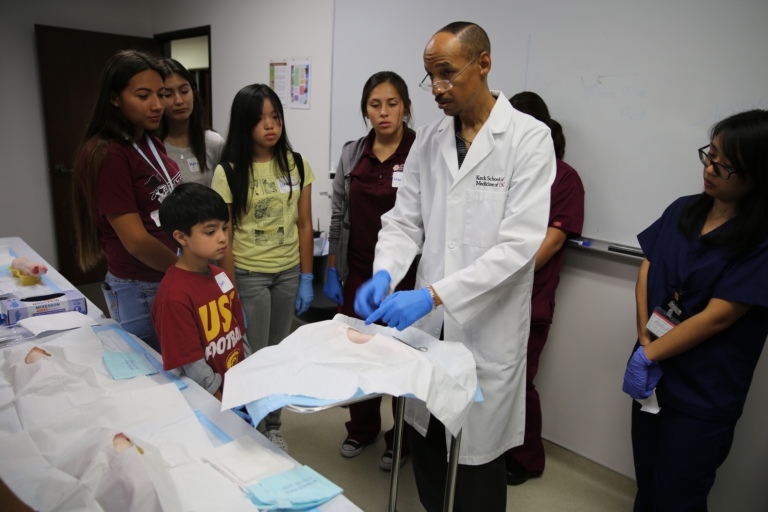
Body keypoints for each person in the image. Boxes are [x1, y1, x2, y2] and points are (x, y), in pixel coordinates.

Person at [355, 22, 555, 511]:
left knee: (475, 464)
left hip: (486, 328)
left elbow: (516, 248)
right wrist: (386, 271)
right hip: (431, 326)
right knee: (427, 445)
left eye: (446, 73)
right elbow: (404, 221)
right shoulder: (429, 139)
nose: (436, 88)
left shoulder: (528, 138)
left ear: (482, 63)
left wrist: (433, 294)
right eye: (430, 77)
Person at [622, 109, 768, 511]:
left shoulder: (759, 239)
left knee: (678, 497)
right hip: (653, 372)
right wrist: (643, 339)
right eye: (710, 154)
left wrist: (649, 353)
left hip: (703, 391)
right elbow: (648, 265)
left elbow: (720, 315)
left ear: (757, 175)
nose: (710, 168)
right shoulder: (683, 209)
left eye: (725, 165)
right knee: (648, 483)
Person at [212, 84, 315, 452]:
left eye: (275, 117)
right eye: (260, 119)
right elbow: (224, 233)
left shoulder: (296, 163)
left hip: (288, 273)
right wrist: (229, 285)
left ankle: (273, 426)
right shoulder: (229, 171)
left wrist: (307, 277)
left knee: (278, 354)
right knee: (253, 355)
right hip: (249, 276)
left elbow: (304, 224)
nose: (270, 126)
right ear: (244, 124)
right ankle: (249, 424)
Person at [324, 71, 417, 470]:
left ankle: (402, 437)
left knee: (402, 359)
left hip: (408, 278)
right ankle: (361, 428)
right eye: (375, 104)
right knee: (360, 356)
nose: (383, 112)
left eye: (391, 103)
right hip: (359, 273)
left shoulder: (421, 151)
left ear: (406, 108)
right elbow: (338, 214)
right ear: (366, 109)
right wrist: (332, 268)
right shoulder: (352, 153)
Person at [72, 50, 180, 353]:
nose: (158, 105)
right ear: (115, 98)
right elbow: (134, 239)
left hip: (168, 273)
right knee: (155, 379)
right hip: (143, 285)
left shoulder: (147, 139)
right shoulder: (107, 154)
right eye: (143, 96)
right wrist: (186, 269)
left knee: (184, 372)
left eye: (161, 94)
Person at [505, 92, 585, 485]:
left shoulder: (565, 177)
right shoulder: (505, 169)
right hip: (490, 296)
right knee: (489, 379)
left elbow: (552, 241)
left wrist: (501, 276)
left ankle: (526, 459)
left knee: (519, 382)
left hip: (528, 300)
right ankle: (489, 451)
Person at [151, 183, 250, 401]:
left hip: (240, 386)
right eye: (210, 232)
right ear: (181, 237)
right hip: (214, 400)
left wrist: (250, 378)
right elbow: (191, 362)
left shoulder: (221, 277)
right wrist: (221, 402)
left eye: (224, 228)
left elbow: (239, 335)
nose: (223, 237)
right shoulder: (174, 296)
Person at [158, 59, 225, 187]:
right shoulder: (151, 146)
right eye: (168, 94)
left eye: (184, 91)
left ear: (193, 91)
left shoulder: (213, 142)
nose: (179, 100)